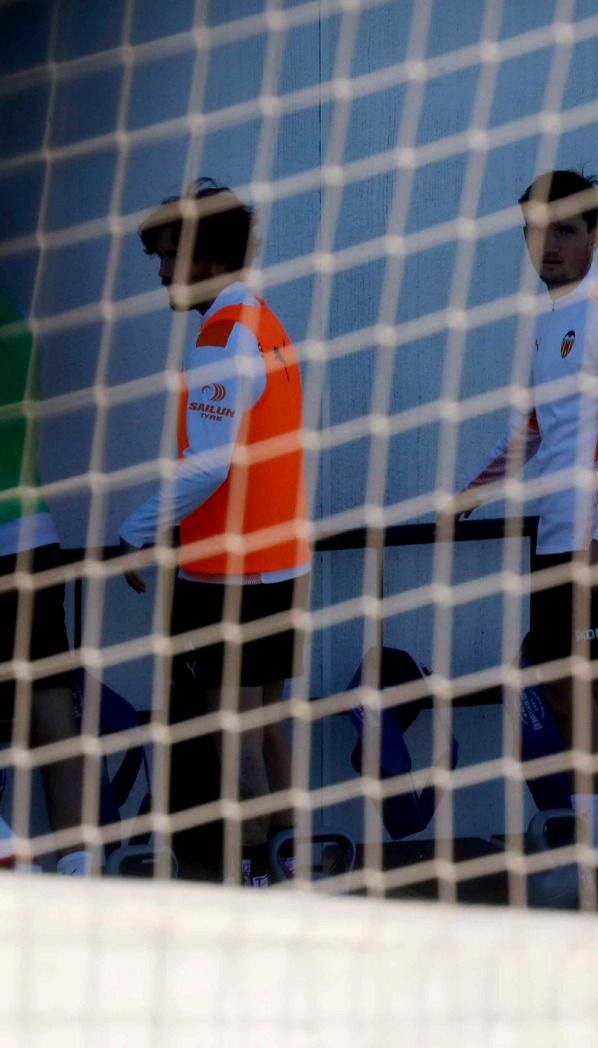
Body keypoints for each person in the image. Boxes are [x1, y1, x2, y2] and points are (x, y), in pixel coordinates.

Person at [446, 170, 598, 913]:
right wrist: (473, 493)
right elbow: (533, 431)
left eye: (566, 229)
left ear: (595, 237)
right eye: (538, 230)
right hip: (554, 541)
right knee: (570, 701)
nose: (550, 244)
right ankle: (596, 857)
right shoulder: (547, 323)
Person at [119, 180, 309, 887]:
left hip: (229, 573)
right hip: (278, 562)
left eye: (169, 256)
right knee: (261, 726)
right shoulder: (265, 322)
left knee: (234, 735)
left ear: (206, 257)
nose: (163, 274)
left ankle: (259, 876)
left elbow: (207, 462)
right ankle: (292, 864)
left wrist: (135, 531)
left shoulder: (222, 337)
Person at [0, 289, 89, 875]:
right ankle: (78, 864)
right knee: (55, 713)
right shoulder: (18, 314)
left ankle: (10, 852)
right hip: (35, 536)